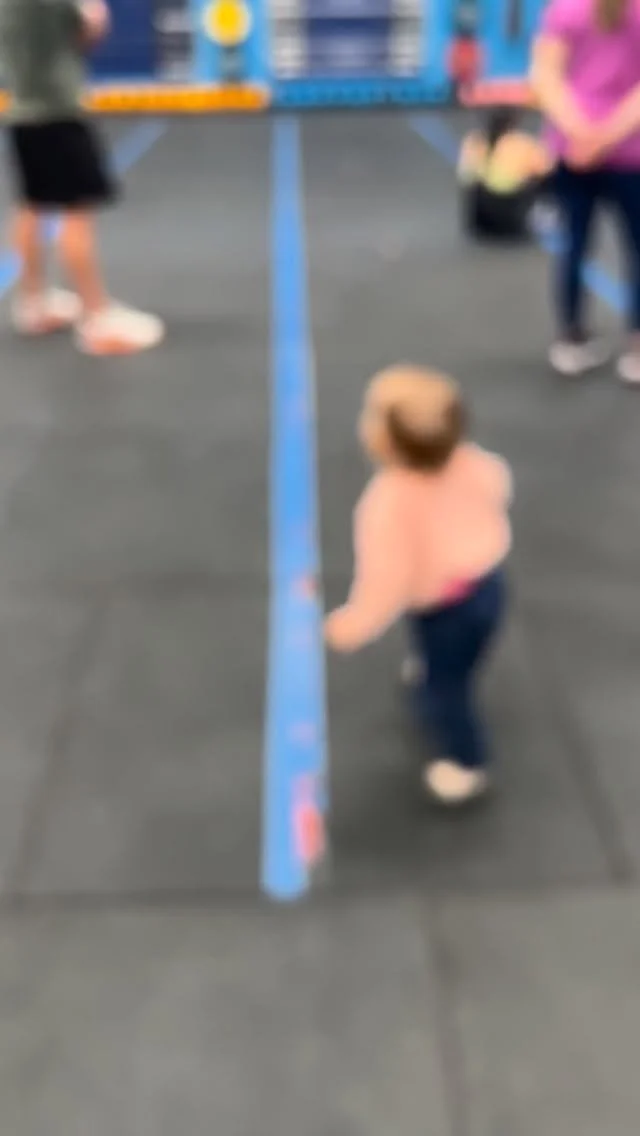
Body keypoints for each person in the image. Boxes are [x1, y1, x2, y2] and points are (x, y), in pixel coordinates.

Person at [324, 365, 512, 805]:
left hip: (443, 608)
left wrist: (354, 625)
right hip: (489, 585)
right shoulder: (476, 463)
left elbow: (386, 582)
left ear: (382, 441)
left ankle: (467, 761)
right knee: (459, 658)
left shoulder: (387, 504)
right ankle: (443, 667)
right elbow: (500, 489)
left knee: (445, 691)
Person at [0, 0, 164, 354]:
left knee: (32, 204)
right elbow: (91, 29)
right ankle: (97, 318)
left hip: (22, 111)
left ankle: (33, 303)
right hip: (58, 111)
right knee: (76, 211)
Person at [531, 0, 640, 381]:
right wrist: (605, 136)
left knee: (573, 244)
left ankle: (571, 341)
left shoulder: (565, 8)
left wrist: (580, 133)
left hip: (574, 150)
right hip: (630, 149)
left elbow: (545, 77)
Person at [458, 106, 555, 242]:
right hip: (512, 212)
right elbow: (547, 170)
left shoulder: (474, 141)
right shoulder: (523, 143)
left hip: (484, 215)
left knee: (474, 183)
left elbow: (465, 176)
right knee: (541, 179)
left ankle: (478, 222)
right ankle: (539, 216)